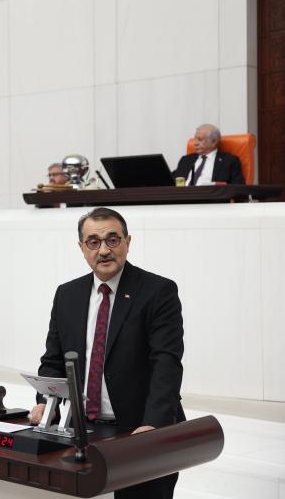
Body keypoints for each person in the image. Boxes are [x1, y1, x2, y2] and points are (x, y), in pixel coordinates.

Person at [29, 207, 184, 499]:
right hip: (82, 431)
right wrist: (45, 403)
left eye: (112, 240)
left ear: (128, 242)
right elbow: (53, 360)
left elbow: (166, 364)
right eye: (93, 242)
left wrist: (153, 424)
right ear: (81, 247)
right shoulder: (67, 294)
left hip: (140, 430)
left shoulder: (158, 291)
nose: (103, 250)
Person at [172, 124, 244, 185]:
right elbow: (172, 181)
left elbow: (239, 188)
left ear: (214, 142)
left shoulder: (229, 161)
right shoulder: (185, 160)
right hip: (183, 196)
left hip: (210, 196)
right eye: (195, 139)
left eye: (200, 139)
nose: (195, 143)